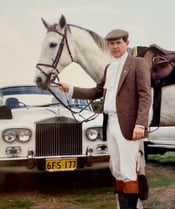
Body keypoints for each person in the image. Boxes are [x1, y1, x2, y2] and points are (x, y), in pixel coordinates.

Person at [57, 29, 151, 209]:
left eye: (119, 43)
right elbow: (96, 92)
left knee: (128, 170)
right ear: (108, 46)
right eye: (112, 43)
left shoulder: (138, 64)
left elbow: (145, 96)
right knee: (116, 169)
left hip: (129, 126)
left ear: (126, 43)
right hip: (110, 124)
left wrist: (140, 123)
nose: (115, 47)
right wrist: (70, 88)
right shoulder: (109, 68)